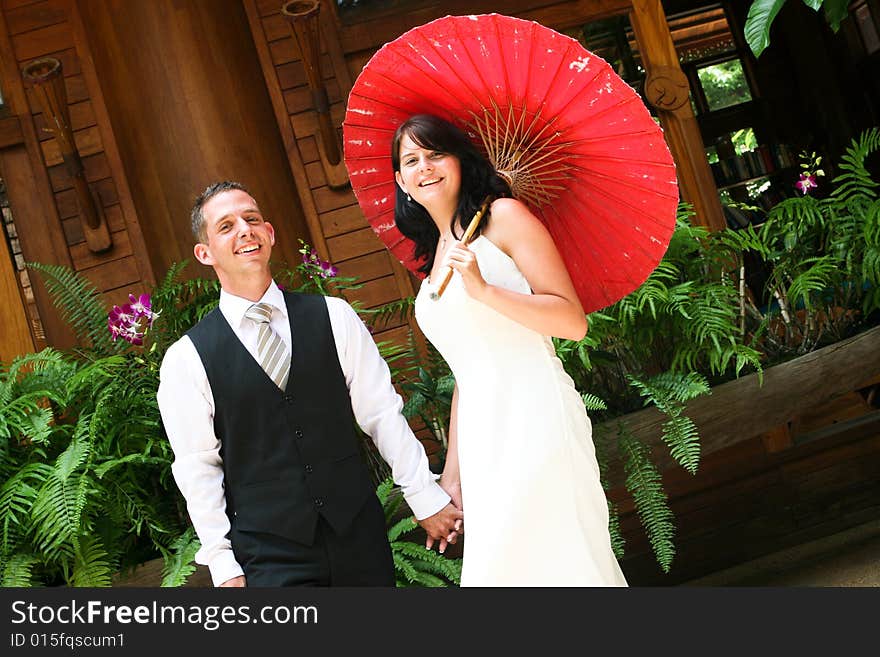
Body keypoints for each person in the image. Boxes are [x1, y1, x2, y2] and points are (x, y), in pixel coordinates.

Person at [157, 180, 462, 587]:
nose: (245, 230)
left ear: (270, 233)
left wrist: (423, 496)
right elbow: (198, 468)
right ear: (205, 252)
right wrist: (222, 564)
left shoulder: (334, 317)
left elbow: (382, 413)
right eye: (226, 226)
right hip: (269, 556)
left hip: (359, 538)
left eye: (251, 219)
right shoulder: (186, 359)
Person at [392, 114, 628, 586]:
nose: (425, 167)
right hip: (483, 436)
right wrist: (452, 475)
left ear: (460, 160)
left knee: (560, 561)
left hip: (534, 412)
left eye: (436, 153)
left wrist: (484, 290)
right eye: (412, 160)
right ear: (401, 180)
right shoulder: (436, 251)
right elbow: (465, 373)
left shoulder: (504, 217)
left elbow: (572, 322)